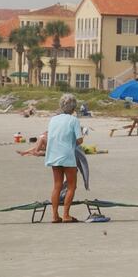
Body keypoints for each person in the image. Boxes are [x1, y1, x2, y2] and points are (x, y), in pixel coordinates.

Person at [45, 94, 84, 223]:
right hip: (67, 155)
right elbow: (79, 140)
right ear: (74, 108)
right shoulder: (74, 120)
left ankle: (55, 216)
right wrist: (74, 143)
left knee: (57, 186)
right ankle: (66, 215)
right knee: (72, 186)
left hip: (53, 154)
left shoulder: (53, 119)